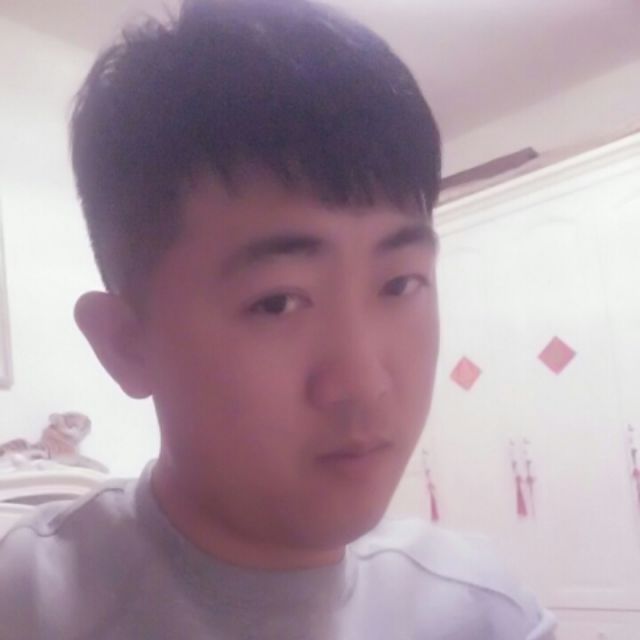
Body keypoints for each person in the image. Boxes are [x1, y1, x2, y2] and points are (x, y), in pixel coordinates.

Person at [0, 0, 556, 638]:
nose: (364, 383)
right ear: (126, 344)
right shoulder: (27, 604)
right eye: (277, 302)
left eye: (399, 283)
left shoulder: (483, 615)